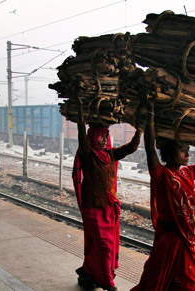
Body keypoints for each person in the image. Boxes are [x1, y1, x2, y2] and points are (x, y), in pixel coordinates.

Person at [132, 102, 195, 291]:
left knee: (188, 283)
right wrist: (150, 116)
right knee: (156, 281)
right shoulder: (161, 174)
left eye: (188, 150)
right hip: (168, 240)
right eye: (183, 150)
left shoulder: (189, 172)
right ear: (170, 153)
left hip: (188, 240)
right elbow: (150, 149)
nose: (188, 154)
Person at [73, 95, 142, 291]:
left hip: (108, 209)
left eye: (107, 136)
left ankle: (90, 272)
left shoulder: (110, 154)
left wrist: (140, 130)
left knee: (102, 246)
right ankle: (108, 284)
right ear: (94, 136)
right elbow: (80, 136)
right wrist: (79, 112)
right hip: (93, 209)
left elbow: (131, 148)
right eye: (102, 136)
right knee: (104, 246)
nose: (105, 139)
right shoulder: (88, 154)